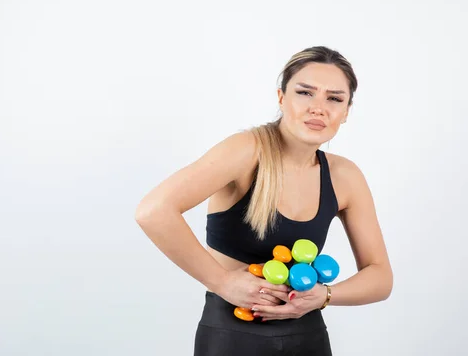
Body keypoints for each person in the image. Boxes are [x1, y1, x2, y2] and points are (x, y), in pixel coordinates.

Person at [134, 46, 393, 355]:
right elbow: (153, 211)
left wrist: (325, 295)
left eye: (334, 98)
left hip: (307, 336)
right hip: (231, 336)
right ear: (282, 98)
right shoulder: (246, 151)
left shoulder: (344, 175)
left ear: (346, 111)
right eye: (305, 93)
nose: (318, 107)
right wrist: (222, 282)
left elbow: (380, 276)